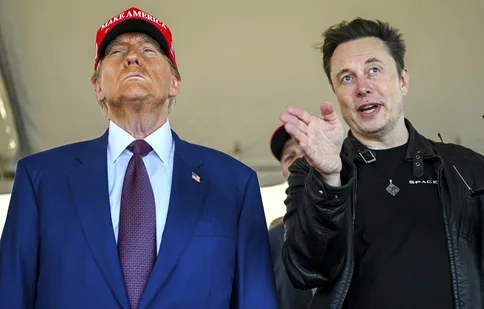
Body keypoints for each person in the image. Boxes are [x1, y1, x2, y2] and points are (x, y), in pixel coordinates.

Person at [0, 7, 277, 309]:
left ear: (174, 83)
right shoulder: (40, 179)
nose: (132, 57)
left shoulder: (234, 183)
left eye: (148, 49)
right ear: (97, 87)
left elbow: (256, 300)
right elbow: (10, 294)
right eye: (117, 51)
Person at [279, 18, 484, 309]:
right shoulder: (310, 174)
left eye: (374, 70)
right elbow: (307, 272)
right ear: (336, 93)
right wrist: (330, 179)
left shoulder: (468, 168)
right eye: (347, 78)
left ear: (403, 80)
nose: (362, 87)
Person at [268, 124, 313, 309]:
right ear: (284, 171)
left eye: (307, 151)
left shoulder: (358, 221)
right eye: (289, 156)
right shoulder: (270, 241)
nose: (299, 160)